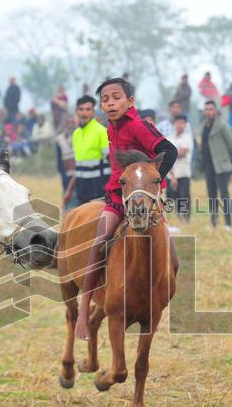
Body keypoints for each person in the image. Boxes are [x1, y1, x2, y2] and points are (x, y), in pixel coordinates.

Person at [73, 78, 178, 340]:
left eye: (116, 97)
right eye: (105, 99)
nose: (110, 103)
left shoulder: (138, 126)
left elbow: (169, 150)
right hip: (117, 200)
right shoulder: (111, 129)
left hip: (144, 201)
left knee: (172, 254)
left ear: (130, 102)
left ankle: (160, 295)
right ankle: (84, 313)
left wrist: (154, 183)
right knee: (99, 241)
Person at [198, 99, 232, 230]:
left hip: (221, 166)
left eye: (211, 109)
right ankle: (214, 223)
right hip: (209, 165)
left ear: (216, 111)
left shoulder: (222, 125)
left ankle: (228, 224)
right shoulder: (203, 125)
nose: (208, 112)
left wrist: (231, 163)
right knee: (212, 195)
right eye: (206, 109)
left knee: (224, 195)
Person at [166, 114, 193, 226]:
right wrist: (172, 176)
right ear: (174, 124)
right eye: (177, 122)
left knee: (184, 198)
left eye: (182, 123)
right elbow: (167, 157)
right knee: (172, 199)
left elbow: (182, 153)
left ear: (185, 124)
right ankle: (174, 223)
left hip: (183, 174)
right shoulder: (169, 138)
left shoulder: (187, 138)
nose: (179, 125)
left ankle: (185, 222)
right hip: (171, 174)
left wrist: (172, 152)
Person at [55, 115, 76, 208]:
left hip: (79, 174)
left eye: (72, 122)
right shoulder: (59, 139)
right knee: (66, 197)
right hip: (66, 173)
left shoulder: (80, 135)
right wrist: (63, 175)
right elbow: (59, 161)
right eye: (68, 122)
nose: (70, 125)